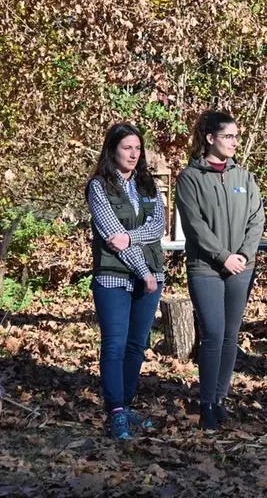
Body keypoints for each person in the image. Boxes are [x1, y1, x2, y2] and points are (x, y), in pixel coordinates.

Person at [176, 110, 264, 432]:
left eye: (237, 137)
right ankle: (206, 403)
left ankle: (221, 398)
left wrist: (242, 255)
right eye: (228, 136)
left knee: (230, 335)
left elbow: (257, 220)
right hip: (206, 267)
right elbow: (195, 226)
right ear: (211, 138)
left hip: (241, 266)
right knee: (212, 334)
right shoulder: (190, 178)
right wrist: (223, 256)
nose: (234, 143)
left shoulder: (244, 177)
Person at [86, 123, 165, 440]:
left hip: (151, 278)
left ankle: (127, 405)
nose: (133, 154)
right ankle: (115, 410)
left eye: (137, 148)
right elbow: (110, 238)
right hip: (113, 277)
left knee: (137, 346)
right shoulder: (98, 186)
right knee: (115, 345)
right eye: (126, 147)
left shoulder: (149, 185)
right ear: (112, 150)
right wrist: (142, 270)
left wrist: (130, 236)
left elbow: (157, 227)